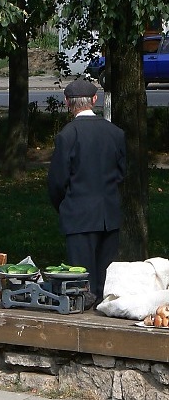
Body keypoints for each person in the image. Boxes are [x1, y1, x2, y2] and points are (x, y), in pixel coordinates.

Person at [47, 78, 126, 308]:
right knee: (106, 286)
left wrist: (65, 206)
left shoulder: (67, 135)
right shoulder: (116, 133)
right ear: (94, 100)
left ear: (67, 103)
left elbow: (57, 181)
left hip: (78, 216)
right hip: (109, 216)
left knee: (82, 287)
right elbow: (121, 173)